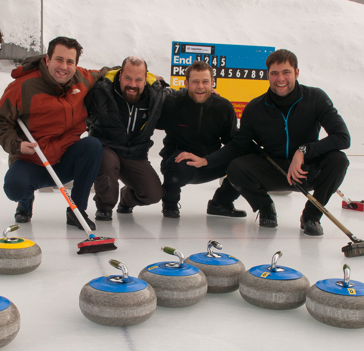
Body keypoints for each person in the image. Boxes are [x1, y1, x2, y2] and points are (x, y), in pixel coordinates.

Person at [176, 49, 350, 235]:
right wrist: (206, 160)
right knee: (236, 167)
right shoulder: (255, 108)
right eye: (274, 73)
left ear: (296, 73)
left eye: (286, 72)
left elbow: (342, 137)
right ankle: (265, 207)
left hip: (305, 170)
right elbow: (238, 146)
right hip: (273, 169)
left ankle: (311, 216)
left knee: (339, 160)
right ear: (268, 75)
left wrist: (304, 151)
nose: (280, 78)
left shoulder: (316, 98)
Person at [0, 36, 110, 230]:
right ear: (47, 60)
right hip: (33, 160)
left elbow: (107, 73)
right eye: (59, 59)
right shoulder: (23, 87)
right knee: (15, 188)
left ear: (76, 65)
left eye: (70, 62)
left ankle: (76, 211)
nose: (64, 66)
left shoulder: (82, 79)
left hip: (64, 160)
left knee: (92, 146)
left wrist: (145, 77)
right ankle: (25, 203)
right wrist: (17, 145)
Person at [157, 61, 244, 219]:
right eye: (195, 81)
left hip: (210, 162)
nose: (200, 86)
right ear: (186, 83)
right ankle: (170, 203)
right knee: (177, 163)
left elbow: (233, 144)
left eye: (205, 81)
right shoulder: (172, 104)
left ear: (213, 83)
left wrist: (207, 160)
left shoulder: (223, 107)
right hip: (180, 162)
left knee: (245, 162)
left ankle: (221, 203)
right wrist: (151, 81)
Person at [85, 56, 169, 221]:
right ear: (120, 74)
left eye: (138, 79)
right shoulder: (100, 90)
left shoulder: (156, 95)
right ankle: (105, 207)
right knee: (107, 163)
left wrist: (208, 96)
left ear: (146, 79)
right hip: (106, 147)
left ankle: (126, 198)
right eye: (128, 78)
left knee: (153, 194)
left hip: (134, 153)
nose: (132, 84)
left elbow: (181, 98)